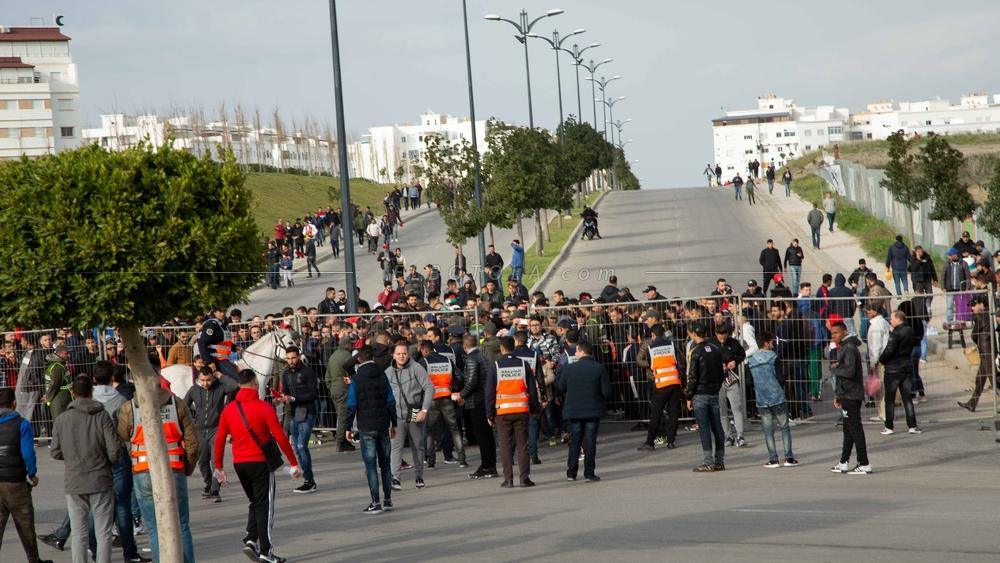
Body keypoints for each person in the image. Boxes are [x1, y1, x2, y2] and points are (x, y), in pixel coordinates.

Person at [214, 368, 300, 563]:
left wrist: (219, 466)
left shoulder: (229, 409)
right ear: (254, 383)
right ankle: (266, 551)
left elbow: (220, 439)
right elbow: (280, 437)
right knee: (265, 506)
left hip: (239, 463)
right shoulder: (263, 407)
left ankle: (251, 539)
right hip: (260, 463)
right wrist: (293, 462)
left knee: (255, 502)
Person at [118, 381, 199, 563]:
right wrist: (187, 468)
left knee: (154, 528)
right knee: (182, 525)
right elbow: (193, 444)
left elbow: (122, 435)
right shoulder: (177, 404)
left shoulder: (129, 407)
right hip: (174, 469)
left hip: (142, 470)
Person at [52, 377, 121, 563]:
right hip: (100, 477)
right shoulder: (102, 415)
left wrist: (72, 457)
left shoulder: (62, 419)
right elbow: (114, 450)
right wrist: (107, 462)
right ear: (91, 391)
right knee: (103, 531)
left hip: (74, 480)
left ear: (73, 393)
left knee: (78, 532)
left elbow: (55, 452)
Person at [0, 388, 52, 563]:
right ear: (14, 403)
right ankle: (33, 559)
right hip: (15, 481)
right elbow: (28, 453)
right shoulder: (22, 424)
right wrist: (32, 473)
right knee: (25, 523)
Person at [344, 346, 397, 514]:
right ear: (372, 358)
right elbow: (390, 401)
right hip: (383, 424)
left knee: (371, 466)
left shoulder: (357, 379)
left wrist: (347, 427)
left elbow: (352, 405)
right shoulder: (382, 376)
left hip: (366, 426)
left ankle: (375, 501)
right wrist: (394, 423)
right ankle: (388, 499)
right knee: (385, 464)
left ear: (359, 359)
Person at [487, 336, 539, 488]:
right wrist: (534, 408)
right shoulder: (523, 364)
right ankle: (524, 478)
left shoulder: (496, 366)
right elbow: (532, 389)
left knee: (505, 446)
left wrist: (489, 413)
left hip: (502, 413)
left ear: (501, 348)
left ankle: (508, 479)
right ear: (514, 347)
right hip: (521, 410)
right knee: (523, 445)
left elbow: (489, 393)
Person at [557, 341, 609, 482]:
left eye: (576, 351)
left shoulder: (569, 368)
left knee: (575, 441)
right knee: (590, 441)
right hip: (593, 410)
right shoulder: (599, 368)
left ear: (581, 351)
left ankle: (571, 473)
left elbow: (560, 387)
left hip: (574, 410)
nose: (575, 353)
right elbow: (606, 391)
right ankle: (589, 473)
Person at [184, 366, 237, 503]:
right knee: (202, 462)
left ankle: (215, 490)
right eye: (202, 380)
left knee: (216, 461)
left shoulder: (220, 388)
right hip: (199, 431)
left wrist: (221, 375)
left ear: (213, 378)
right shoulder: (194, 390)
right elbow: (184, 406)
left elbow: (234, 386)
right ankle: (208, 484)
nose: (205, 383)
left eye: (208, 380)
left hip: (216, 430)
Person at [746, 332, 797, 468]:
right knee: (784, 427)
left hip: (762, 398)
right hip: (777, 396)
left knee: (768, 429)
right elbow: (780, 378)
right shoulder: (774, 357)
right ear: (767, 343)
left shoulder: (751, 360)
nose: (773, 344)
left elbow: (749, 382)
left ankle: (773, 459)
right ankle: (788, 457)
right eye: (772, 342)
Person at [387, 343, 432, 491]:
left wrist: (424, 410)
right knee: (395, 447)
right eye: (398, 354)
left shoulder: (416, 368)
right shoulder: (388, 372)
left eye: (404, 353)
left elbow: (429, 387)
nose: (401, 356)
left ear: (408, 354)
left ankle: (419, 476)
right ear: (393, 355)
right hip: (397, 415)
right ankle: (395, 478)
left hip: (414, 411)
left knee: (417, 445)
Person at [829, 322, 872, 474]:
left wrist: (835, 369)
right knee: (848, 429)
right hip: (846, 394)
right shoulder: (845, 347)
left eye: (836, 333)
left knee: (855, 428)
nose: (833, 336)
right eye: (832, 333)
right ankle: (843, 461)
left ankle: (864, 462)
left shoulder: (849, 348)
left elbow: (850, 372)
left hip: (851, 394)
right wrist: (838, 395)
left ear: (844, 332)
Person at [418, 339, 467, 469]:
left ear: (424, 350)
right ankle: (462, 460)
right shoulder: (447, 360)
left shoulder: (424, 362)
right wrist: (453, 388)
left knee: (430, 430)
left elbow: (418, 381)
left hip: (431, 399)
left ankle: (431, 462)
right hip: (446, 397)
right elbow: (460, 377)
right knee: (454, 428)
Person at [277, 346, 319, 494]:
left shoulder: (308, 372)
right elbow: (286, 393)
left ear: (299, 356)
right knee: (297, 446)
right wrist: (282, 399)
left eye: (293, 358)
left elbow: (313, 394)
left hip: (308, 412)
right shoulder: (286, 373)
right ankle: (308, 479)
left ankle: (309, 480)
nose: (291, 361)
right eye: (288, 359)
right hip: (294, 412)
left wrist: (293, 398)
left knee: (301, 446)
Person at [635, 322, 683, 451]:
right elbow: (681, 363)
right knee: (673, 413)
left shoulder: (651, 348)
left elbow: (651, 365)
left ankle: (650, 442)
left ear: (653, 334)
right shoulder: (672, 345)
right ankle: (671, 441)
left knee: (656, 413)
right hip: (674, 383)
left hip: (661, 383)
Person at [686, 321, 726, 472]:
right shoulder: (716, 349)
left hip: (700, 393)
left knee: (704, 428)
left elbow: (693, 377)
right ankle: (719, 460)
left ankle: (708, 461)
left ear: (694, 334)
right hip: (714, 392)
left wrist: (689, 396)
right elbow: (721, 373)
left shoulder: (695, 352)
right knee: (717, 426)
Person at [877, 311, 921, 435]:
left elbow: (889, 350)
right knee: (907, 398)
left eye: (892, 318)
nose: (890, 321)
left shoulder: (895, 333)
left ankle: (889, 426)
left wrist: (881, 360)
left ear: (898, 319)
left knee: (890, 399)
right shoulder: (910, 331)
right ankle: (912, 425)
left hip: (893, 369)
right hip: (906, 367)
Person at [461, 334, 498, 479]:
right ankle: (491, 465)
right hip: (485, 399)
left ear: (465, 347)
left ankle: (486, 466)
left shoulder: (471, 359)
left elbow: (471, 383)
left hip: (476, 401)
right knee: (488, 435)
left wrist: (460, 395)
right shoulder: (483, 357)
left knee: (482, 436)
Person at [711, 323, 747, 448]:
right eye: (720, 337)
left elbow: (742, 354)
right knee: (722, 411)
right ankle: (728, 435)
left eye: (724, 337)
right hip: (717, 382)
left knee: (736, 408)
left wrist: (734, 361)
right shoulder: (710, 343)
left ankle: (740, 435)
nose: (722, 340)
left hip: (732, 380)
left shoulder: (734, 343)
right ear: (716, 334)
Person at [959, 297, 995, 412]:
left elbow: (974, 334)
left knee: (993, 378)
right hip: (988, 349)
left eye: (974, 305)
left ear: (981, 304)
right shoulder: (991, 312)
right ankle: (972, 403)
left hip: (986, 350)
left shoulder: (980, 316)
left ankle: (972, 403)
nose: (972, 308)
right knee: (980, 378)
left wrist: (975, 342)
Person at [326, 334, 356, 452]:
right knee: (344, 415)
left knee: (340, 414)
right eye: (351, 343)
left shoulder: (333, 356)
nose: (352, 345)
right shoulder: (347, 356)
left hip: (334, 388)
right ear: (347, 344)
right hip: (344, 388)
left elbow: (327, 375)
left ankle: (343, 440)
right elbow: (351, 373)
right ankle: (341, 442)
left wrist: (331, 386)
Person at [43, 344, 72, 421]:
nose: (69, 355)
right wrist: (48, 398)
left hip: (58, 397)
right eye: (67, 353)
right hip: (60, 398)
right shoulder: (57, 367)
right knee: (60, 422)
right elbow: (54, 384)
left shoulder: (58, 365)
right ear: (59, 354)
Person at [942, 248, 970, 322]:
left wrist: (967, 288)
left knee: (960, 305)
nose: (949, 257)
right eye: (948, 255)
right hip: (950, 289)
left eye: (950, 255)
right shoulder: (946, 264)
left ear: (955, 255)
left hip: (960, 289)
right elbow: (943, 276)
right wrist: (943, 287)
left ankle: (960, 319)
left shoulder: (964, 263)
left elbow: (967, 277)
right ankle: (950, 320)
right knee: (949, 306)